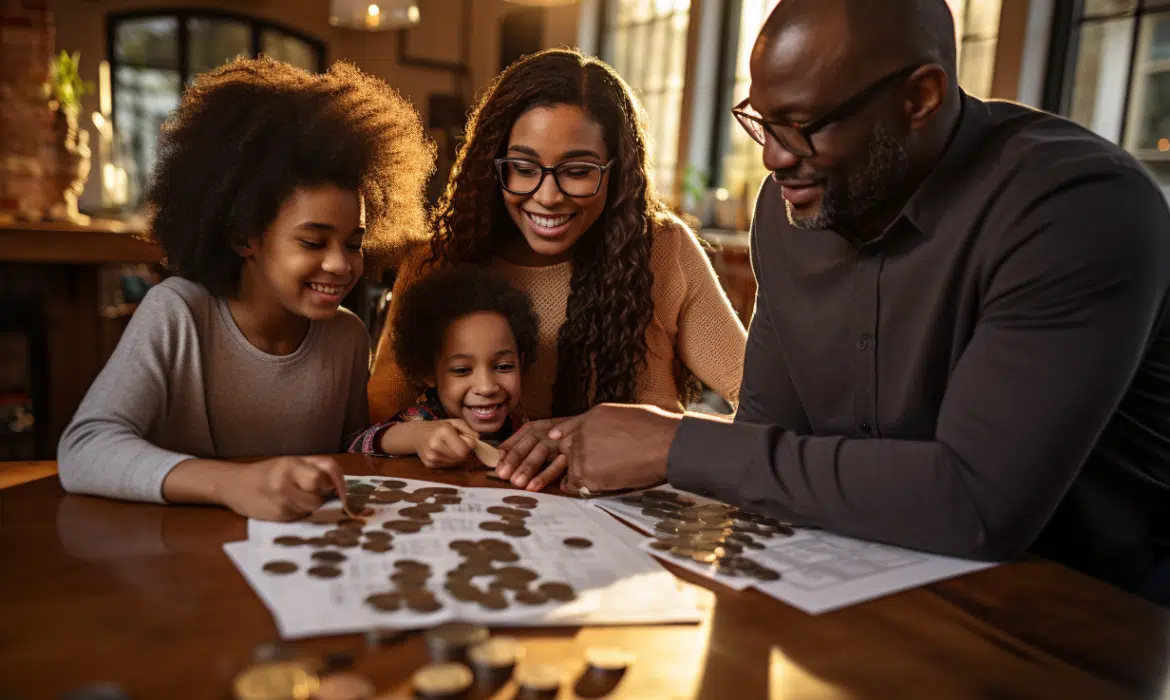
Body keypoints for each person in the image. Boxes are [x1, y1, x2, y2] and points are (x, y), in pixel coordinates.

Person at [551, 0, 1170, 604]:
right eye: (762, 121)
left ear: (919, 98)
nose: (773, 156)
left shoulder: (1077, 206)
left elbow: (976, 504)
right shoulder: (784, 209)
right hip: (871, 582)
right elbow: (768, 437)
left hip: (1083, 614)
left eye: (804, 124)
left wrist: (675, 444)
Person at [57, 58, 435, 522]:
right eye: (313, 241)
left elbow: (349, 455)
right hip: (184, 552)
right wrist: (232, 483)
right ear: (244, 237)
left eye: (353, 243)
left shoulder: (347, 337)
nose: (339, 264)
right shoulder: (177, 313)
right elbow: (84, 449)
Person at [367, 48, 747, 492]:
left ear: (617, 171)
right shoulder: (437, 262)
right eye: (524, 168)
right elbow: (376, 423)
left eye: (579, 171)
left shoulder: (663, 251)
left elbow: (771, 409)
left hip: (632, 529)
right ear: (493, 167)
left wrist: (653, 442)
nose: (547, 197)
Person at [349, 265, 538, 468]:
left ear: (521, 362)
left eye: (503, 366)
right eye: (462, 370)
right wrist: (415, 437)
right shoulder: (425, 421)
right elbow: (359, 445)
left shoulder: (522, 428)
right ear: (427, 371)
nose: (486, 387)